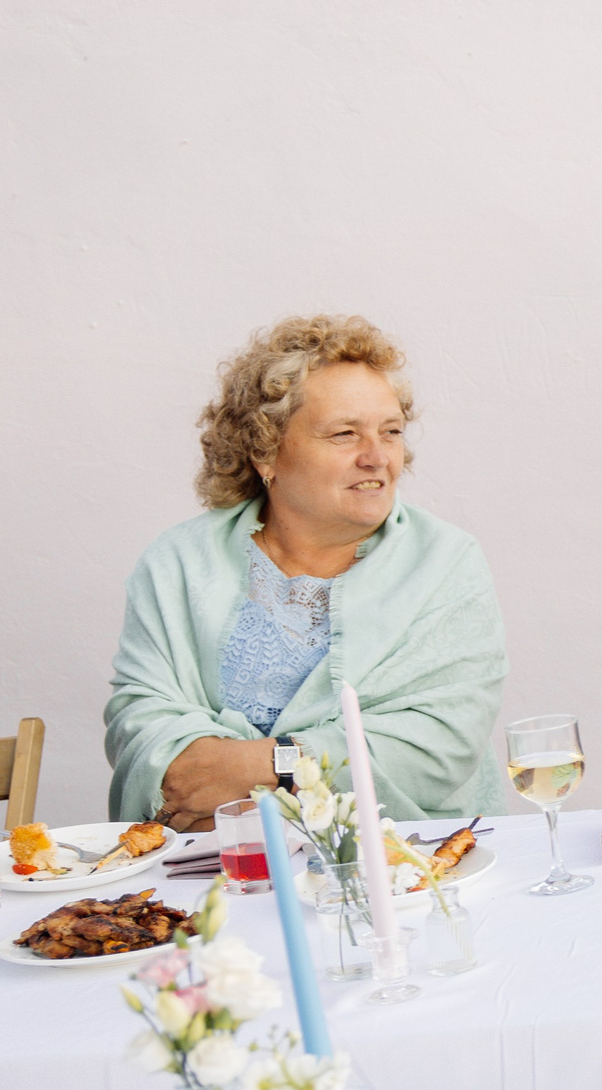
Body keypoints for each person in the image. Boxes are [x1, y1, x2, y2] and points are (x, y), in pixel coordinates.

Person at [105, 315, 506, 832]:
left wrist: (266, 769)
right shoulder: (178, 560)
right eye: (345, 434)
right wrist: (241, 796)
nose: (377, 457)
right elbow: (139, 718)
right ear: (264, 450)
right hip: (216, 861)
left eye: (391, 432)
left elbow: (439, 741)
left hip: (409, 860)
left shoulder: (446, 561)